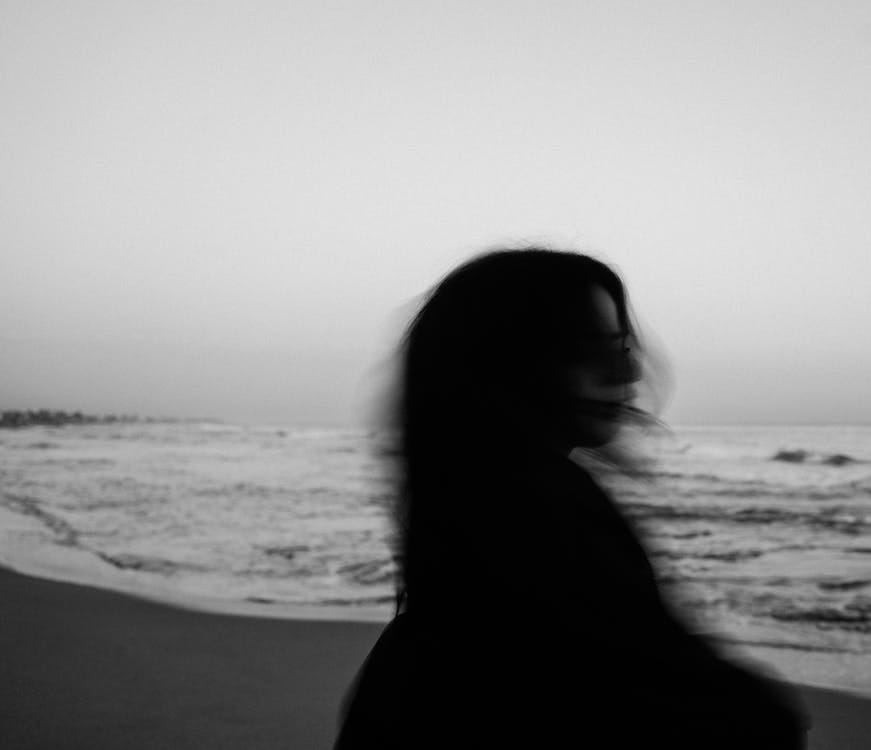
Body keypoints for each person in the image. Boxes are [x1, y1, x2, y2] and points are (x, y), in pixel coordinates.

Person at [335, 248, 809, 747]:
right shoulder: (537, 512)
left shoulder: (463, 506)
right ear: (507, 363)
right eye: (593, 351)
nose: (625, 375)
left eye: (623, 348)